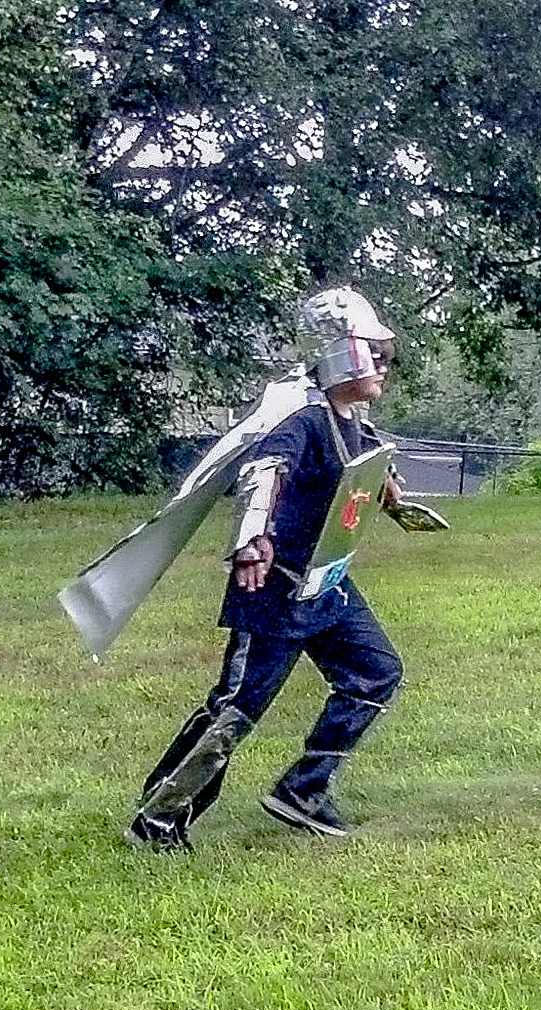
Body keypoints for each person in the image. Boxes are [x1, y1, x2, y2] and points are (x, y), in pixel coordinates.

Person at [125, 285, 408, 850]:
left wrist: (389, 493)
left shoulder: (349, 416)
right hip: (274, 589)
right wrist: (252, 540)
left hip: (326, 583)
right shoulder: (301, 417)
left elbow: (355, 477)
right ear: (341, 353)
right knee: (237, 708)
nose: (382, 364)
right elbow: (265, 469)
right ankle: (158, 820)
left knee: (376, 672)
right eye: (370, 352)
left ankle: (303, 791)